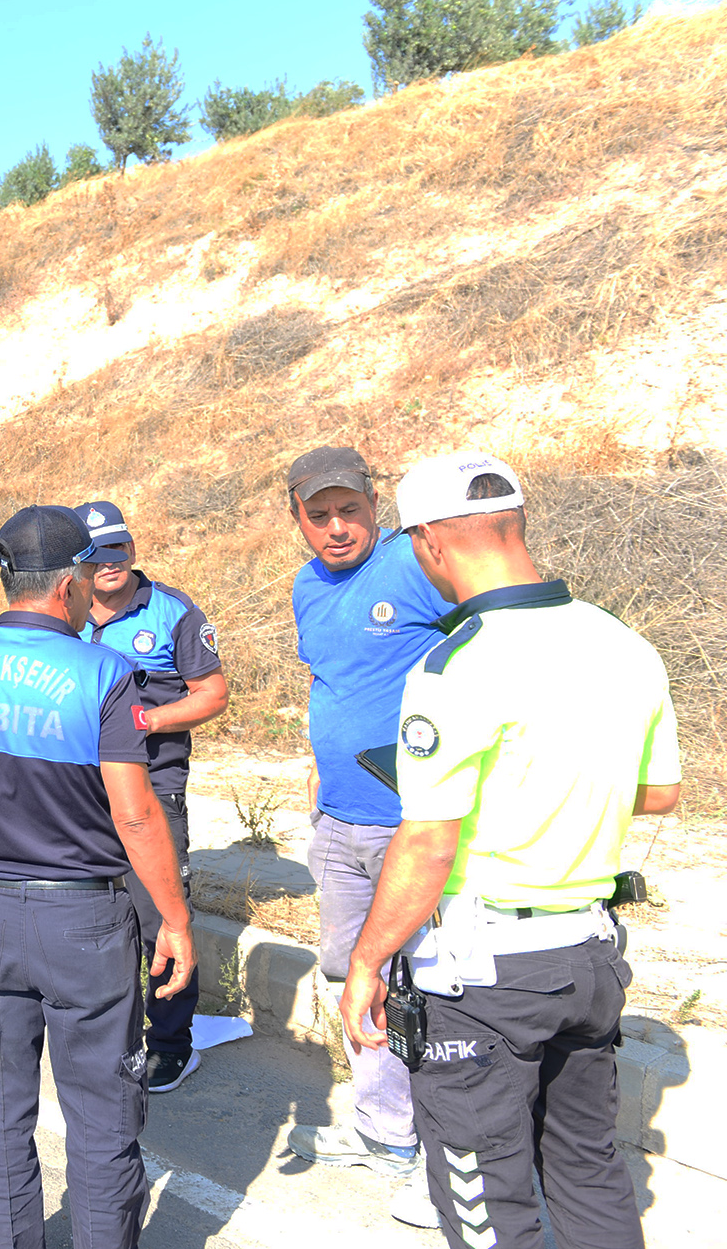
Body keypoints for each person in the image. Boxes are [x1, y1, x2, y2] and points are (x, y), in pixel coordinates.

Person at [340, 451, 676, 1249]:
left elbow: (426, 841)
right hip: (589, 955)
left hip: (486, 974)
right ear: (514, 523)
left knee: (485, 1196)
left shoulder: (456, 663)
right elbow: (658, 791)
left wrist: (365, 965)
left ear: (429, 544)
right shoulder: (622, 642)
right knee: (590, 1168)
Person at [0, 504, 195, 1249]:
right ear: (69, 587)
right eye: (90, 574)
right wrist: (176, 919)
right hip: (83, 925)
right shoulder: (105, 674)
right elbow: (138, 815)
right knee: (101, 1121)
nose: (95, 589)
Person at [282, 446, 452, 1226]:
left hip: (416, 825)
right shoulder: (306, 588)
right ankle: (387, 1132)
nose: (337, 527)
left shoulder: (415, 564)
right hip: (339, 824)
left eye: (349, 509)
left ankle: (449, 1157)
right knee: (355, 978)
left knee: (436, 991)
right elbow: (330, 676)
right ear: (299, 520)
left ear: (374, 505)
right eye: (319, 515)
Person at [74, 500, 227, 1092]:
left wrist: (144, 721)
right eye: (92, 554)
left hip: (153, 785)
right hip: (83, 788)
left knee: (161, 916)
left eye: (116, 549)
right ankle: (112, 1035)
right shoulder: (68, 607)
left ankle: (170, 1044)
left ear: (132, 551)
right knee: (94, 917)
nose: (106, 563)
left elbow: (211, 695)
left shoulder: (172, 611)